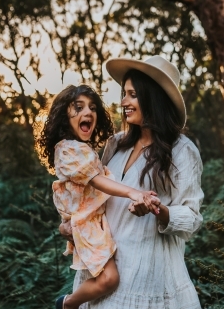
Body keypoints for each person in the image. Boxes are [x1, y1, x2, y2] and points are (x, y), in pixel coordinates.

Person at [60, 56, 204, 309]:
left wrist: (158, 210)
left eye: (133, 95)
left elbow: (192, 219)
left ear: (153, 98)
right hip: (103, 274)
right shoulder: (115, 144)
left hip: (148, 280)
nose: (123, 102)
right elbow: (93, 197)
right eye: (124, 94)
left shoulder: (182, 150)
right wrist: (69, 225)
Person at [35, 84, 161, 309]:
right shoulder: (67, 150)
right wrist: (133, 192)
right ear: (64, 115)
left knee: (108, 278)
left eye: (92, 108)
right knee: (110, 279)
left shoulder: (83, 148)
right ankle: (67, 304)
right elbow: (96, 180)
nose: (88, 112)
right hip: (88, 225)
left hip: (94, 223)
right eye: (78, 107)